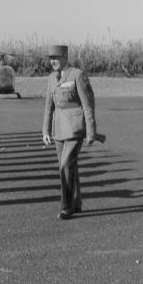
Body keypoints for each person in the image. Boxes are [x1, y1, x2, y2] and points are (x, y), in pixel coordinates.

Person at [42, 45, 97, 219]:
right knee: (67, 166)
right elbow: (49, 106)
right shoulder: (51, 78)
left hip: (75, 128)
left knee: (66, 165)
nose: (53, 61)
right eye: (51, 58)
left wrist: (91, 131)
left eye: (56, 58)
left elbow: (88, 105)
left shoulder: (77, 75)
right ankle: (76, 201)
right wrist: (45, 130)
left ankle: (66, 207)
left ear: (65, 57)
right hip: (58, 129)